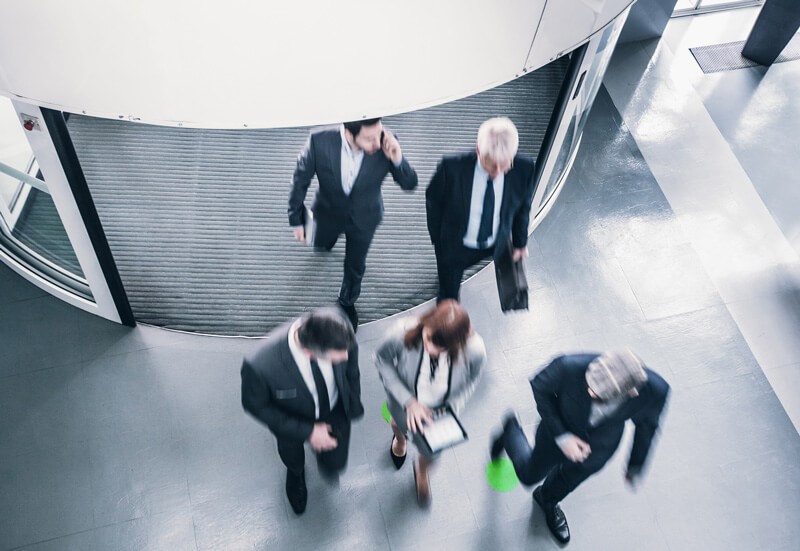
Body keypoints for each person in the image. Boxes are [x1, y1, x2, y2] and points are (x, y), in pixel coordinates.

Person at [489, 350, 670, 544]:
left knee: (570, 479)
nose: (590, 392)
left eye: (599, 395)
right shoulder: (569, 366)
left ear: (631, 392)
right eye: (589, 386)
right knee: (528, 475)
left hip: (600, 446)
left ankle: (547, 500)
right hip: (556, 434)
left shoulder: (655, 391)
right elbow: (539, 386)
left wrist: (635, 465)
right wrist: (563, 438)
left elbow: (647, 426)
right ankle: (510, 430)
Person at [288, 118, 418, 330]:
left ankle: (347, 301)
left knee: (355, 264)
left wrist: (397, 159)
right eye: (369, 138)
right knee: (320, 242)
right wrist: (296, 219)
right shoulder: (319, 141)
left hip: (365, 217)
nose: (377, 143)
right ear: (349, 133)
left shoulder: (386, 142)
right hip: (327, 212)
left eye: (379, 134)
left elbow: (410, 183)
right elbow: (300, 180)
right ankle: (325, 242)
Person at [240, 308, 363, 515]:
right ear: (309, 353)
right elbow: (256, 405)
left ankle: (328, 463)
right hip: (291, 422)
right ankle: (296, 474)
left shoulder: (338, 325)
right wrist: (309, 432)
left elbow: (351, 368)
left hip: (335, 411)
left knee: (335, 461)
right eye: (336, 357)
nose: (345, 356)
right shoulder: (260, 365)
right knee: (292, 457)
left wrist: (353, 401)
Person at [374, 300, 486, 506]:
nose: (429, 348)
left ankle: (422, 471)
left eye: (439, 348)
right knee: (398, 423)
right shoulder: (403, 331)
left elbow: (472, 380)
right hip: (403, 403)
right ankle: (400, 440)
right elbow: (382, 360)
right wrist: (409, 402)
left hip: (438, 416)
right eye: (427, 339)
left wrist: (452, 407)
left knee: (433, 453)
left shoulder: (475, 351)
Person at [425, 116, 535, 302]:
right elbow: (433, 202)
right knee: (448, 297)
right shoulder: (451, 169)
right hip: (456, 247)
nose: (498, 171)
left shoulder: (524, 169)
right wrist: (439, 240)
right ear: (478, 150)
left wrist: (519, 242)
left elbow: (523, 207)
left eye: (505, 164)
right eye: (491, 164)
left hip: (496, 242)